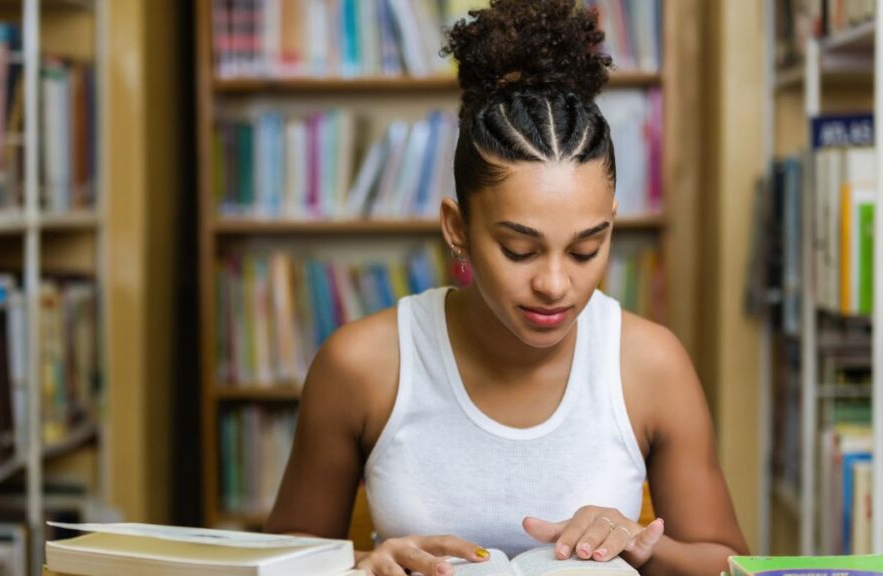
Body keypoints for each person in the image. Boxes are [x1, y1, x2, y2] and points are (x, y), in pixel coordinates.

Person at [264, 1, 749, 574]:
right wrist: (366, 564)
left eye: (586, 249)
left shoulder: (651, 365)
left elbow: (731, 565)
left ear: (611, 225)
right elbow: (281, 565)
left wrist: (643, 545)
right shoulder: (361, 367)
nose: (555, 283)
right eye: (519, 250)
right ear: (457, 229)